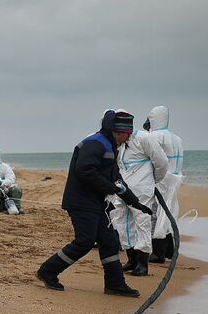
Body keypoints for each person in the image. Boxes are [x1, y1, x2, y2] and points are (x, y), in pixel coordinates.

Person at [36, 110, 148, 297]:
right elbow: (84, 170)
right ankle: (48, 271)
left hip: (96, 204)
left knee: (110, 241)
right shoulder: (96, 143)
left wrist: (135, 203)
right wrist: (109, 187)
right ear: (118, 130)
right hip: (81, 202)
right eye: (127, 133)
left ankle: (115, 284)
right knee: (85, 241)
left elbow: (117, 181)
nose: (129, 137)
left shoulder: (111, 146)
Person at [109, 115, 168, 275]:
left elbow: (161, 162)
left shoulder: (144, 138)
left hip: (142, 192)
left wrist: (153, 181)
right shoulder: (119, 144)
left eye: (117, 133)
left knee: (142, 224)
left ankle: (142, 264)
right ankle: (132, 260)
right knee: (122, 224)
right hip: (122, 191)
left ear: (125, 131)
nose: (115, 136)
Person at [147, 105, 185, 264]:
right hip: (174, 181)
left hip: (161, 181)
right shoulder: (176, 138)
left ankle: (158, 252)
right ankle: (170, 249)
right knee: (169, 214)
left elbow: (152, 159)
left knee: (156, 215)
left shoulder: (155, 136)